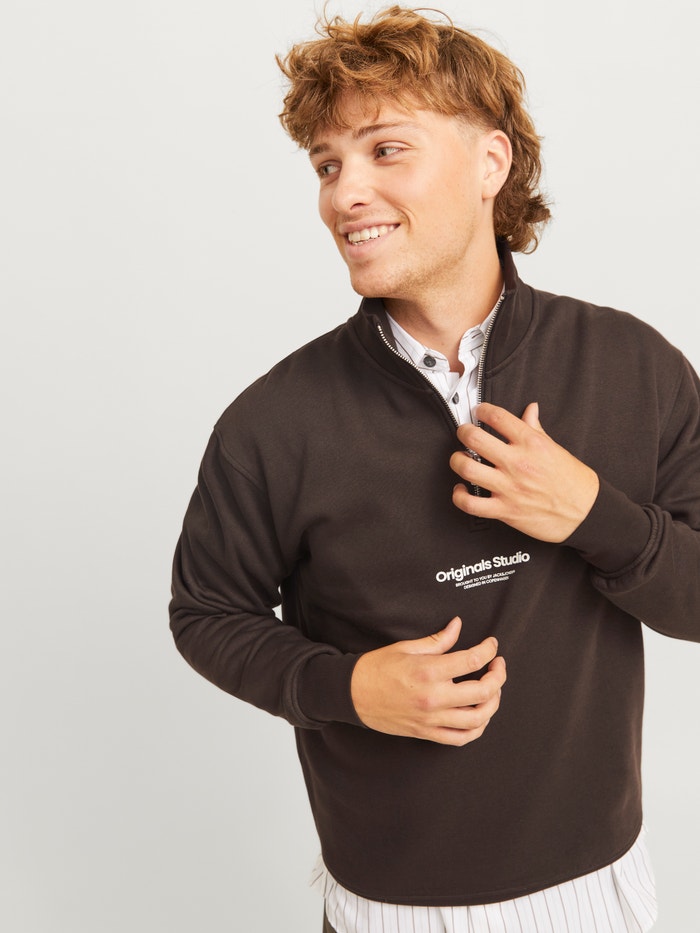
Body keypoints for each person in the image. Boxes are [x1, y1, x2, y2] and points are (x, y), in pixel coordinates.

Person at [169, 6, 700, 931]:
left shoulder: (634, 365)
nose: (345, 194)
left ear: (490, 163)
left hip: (600, 892)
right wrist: (346, 687)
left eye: (385, 150)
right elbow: (206, 614)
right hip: (389, 907)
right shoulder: (271, 423)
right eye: (327, 165)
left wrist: (594, 514)